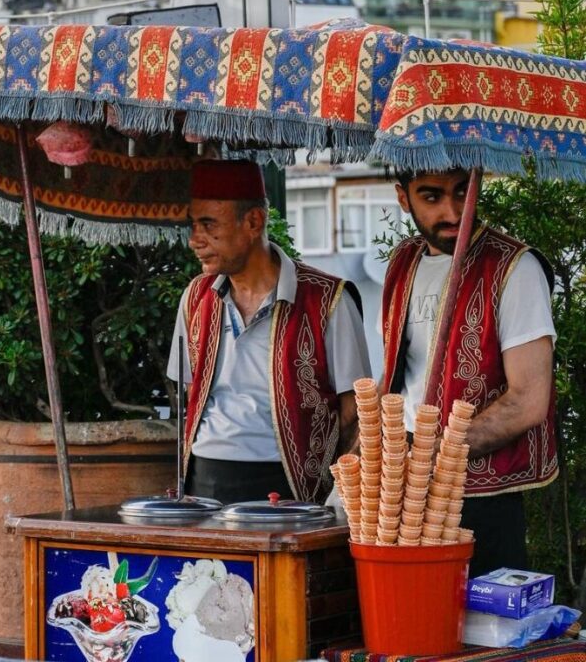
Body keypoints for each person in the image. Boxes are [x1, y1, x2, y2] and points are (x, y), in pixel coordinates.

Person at [382, 168, 558, 576]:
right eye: (431, 197)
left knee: (482, 633)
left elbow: (528, 401)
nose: (454, 210)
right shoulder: (403, 262)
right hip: (406, 488)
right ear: (403, 198)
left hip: (484, 496)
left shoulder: (515, 267)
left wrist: (434, 456)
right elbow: (397, 377)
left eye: (463, 191)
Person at [167, 159, 371, 505]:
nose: (194, 240)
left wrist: (337, 498)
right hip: (205, 480)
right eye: (193, 225)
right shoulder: (195, 298)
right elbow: (188, 393)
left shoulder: (327, 299)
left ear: (253, 221)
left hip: (292, 486)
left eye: (208, 224)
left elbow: (356, 412)